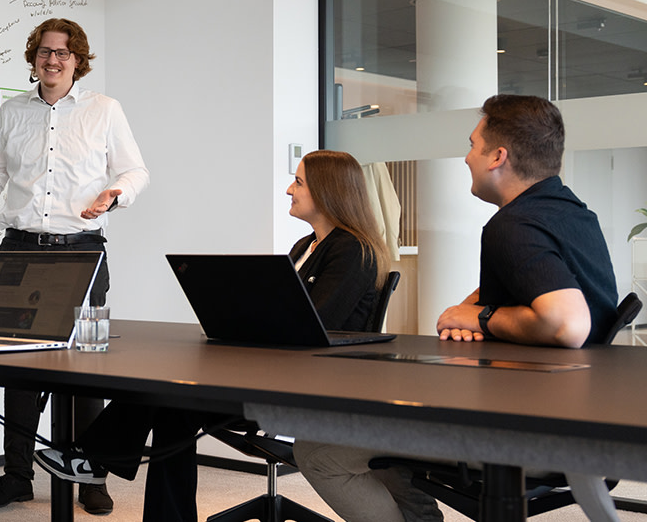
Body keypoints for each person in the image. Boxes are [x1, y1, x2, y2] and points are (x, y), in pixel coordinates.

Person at [294, 94, 620, 522]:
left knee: (317, 450)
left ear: (498, 157)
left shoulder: (514, 225)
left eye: (472, 146)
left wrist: (483, 317)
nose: (466, 158)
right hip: (576, 421)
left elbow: (567, 323)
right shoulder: (572, 213)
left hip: (526, 431)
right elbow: (530, 284)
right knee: (378, 428)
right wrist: (471, 310)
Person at [34, 149, 395, 522]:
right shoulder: (306, 246)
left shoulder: (353, 250)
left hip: (307, 389)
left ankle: (93, 458)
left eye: (299, 182)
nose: (290, 189)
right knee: (172, 402)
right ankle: (100, 464)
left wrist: (255, 319)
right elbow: (286, 316)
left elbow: (311, 326)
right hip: (275, 373)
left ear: (327, 190)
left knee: (171, 393)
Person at [0, 17, 149, 515]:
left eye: (63, 53)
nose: (53, 60)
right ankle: (17, 476)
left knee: (88, 364)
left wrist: (114, 194)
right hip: (20, 252)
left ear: (78, 61)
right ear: (34, 58)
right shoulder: (12, 112)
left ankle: (90, 475)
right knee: (17, 366)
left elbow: (135, 170)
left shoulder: (105, 109)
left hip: (83, 251)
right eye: (45, 52)